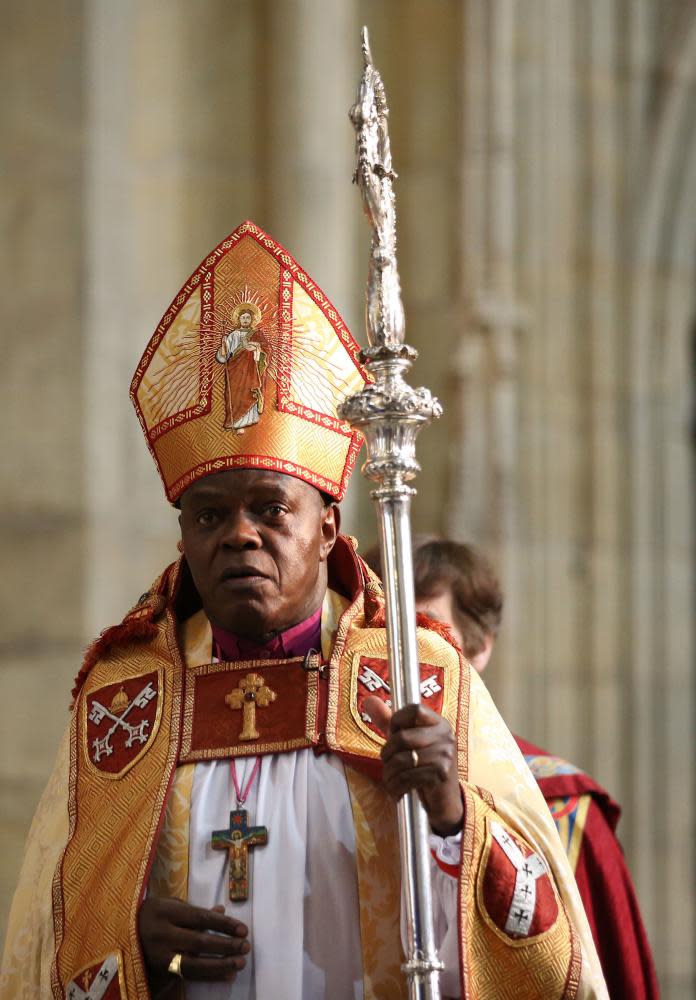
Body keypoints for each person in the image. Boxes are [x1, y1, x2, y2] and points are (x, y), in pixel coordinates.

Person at [1, 221, 608, 1000]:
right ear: (184, 537)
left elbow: (550, 954)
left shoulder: (418, 677)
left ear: (326, 528)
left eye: (268, 509)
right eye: (210, 516)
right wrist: (127, 936)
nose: (240, 535)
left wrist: (454, 815)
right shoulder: (124, 702)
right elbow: (40, 941)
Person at [363, 537, 658, 1000]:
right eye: (385, 632)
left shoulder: (562, 806)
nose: (404, 655)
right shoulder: (337, 782)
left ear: (480, 649)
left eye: (428, 631)